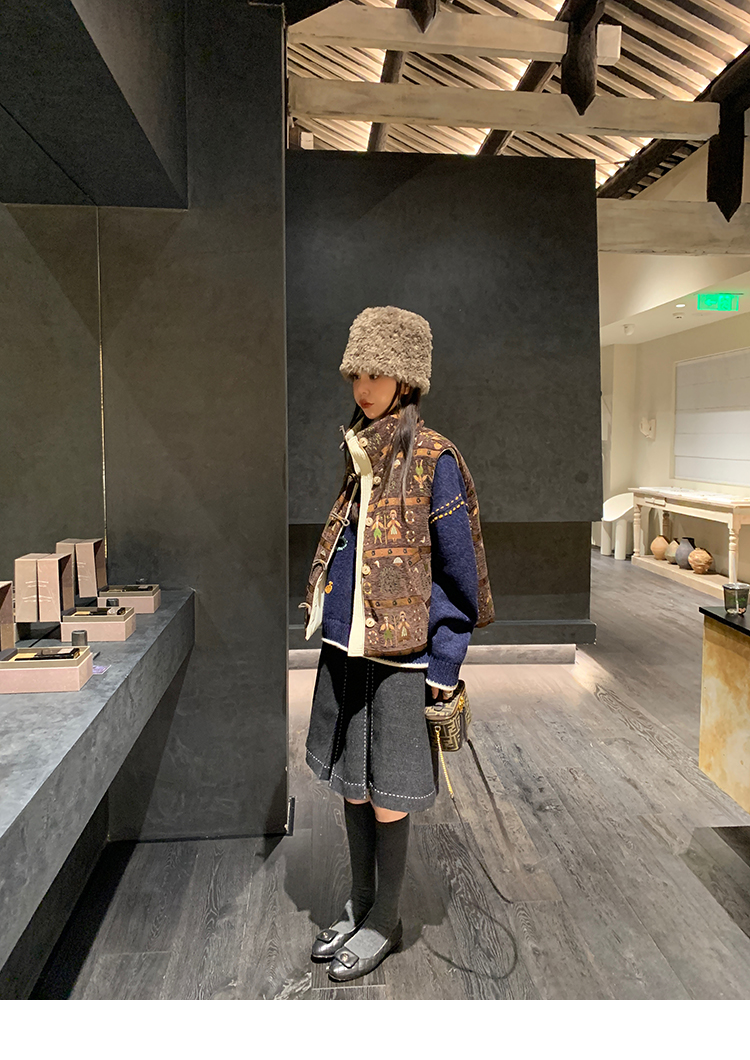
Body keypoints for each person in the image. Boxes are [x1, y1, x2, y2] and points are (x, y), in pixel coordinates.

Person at [300, 306, 494, 982]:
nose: (363, 387)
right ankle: (359, 901)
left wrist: (445, 663)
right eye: (356, 373)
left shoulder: (435, 457)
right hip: (348, 646)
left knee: (388, 792)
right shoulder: (359, 450)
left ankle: (385, 918)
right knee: (353, 787)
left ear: (406, 379)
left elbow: (459, 574)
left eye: (376, 374)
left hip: (403, 657)